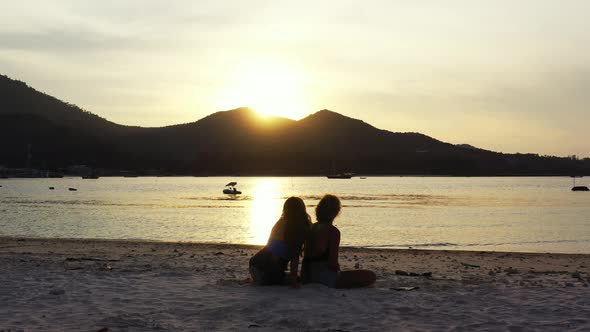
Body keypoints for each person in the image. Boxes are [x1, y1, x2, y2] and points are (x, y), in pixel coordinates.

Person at [302, 194, 376, 288]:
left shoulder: (311, 227)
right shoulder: (333, 231)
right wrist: (337, 272)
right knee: (370, 276)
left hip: (307, 275)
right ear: (336, 212)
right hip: (324, 278)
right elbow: (333, 262)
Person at [249, 196, 312, 287]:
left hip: (255, 264)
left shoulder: (280, 223)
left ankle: (259, 278)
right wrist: (294, 281)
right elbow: (294, 258)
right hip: (268, 271)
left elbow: (270, 245)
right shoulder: (297, 230)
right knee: (298, 278)